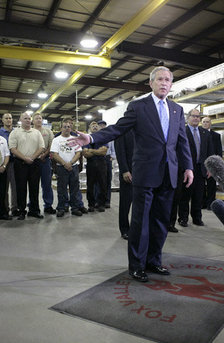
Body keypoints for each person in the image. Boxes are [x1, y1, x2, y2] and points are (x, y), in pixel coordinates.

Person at [68, 66, 194, 283]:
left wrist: (189, 166)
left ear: (171, 84)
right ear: (151, 83)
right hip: (145, 173)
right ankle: (136, 265)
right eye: (160, 79)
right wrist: (91, 138)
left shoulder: (176, 109)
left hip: (169, 173)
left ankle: (154, 261)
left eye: (168, 80)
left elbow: (181, 140)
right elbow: (118, 129)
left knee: (161, 220)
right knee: (140, 221)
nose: (164, 83)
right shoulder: (138, 107)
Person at [178, 108, 214, 227]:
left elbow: (210, 152)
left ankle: (197, 218)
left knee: (199, 195)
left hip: (201, 169)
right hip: (187, 169)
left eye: (198, 117)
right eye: (193, 116)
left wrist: (209, 168)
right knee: (185, 195)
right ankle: (183, 218)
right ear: (188, 118)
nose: (196, 118)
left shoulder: (205, 133)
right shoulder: (182, 131)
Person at [8, 112, 45, 220]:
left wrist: (32, 158)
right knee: (21, 188)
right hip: (20, 163)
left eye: (29, 118)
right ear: (21, 120)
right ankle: (21, 211)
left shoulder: (36, 133)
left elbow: (41, 147)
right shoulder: (15, 133)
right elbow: (13, 148)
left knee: (34, 188)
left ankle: (34, 210)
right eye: (25, 118)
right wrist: (25, 158)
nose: (28, 120)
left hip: (35, 163)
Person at [51, 120, 83, 217]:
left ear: (71, 128)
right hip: (61, 168)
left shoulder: (75, 139)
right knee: (61, 189)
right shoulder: (56, 140)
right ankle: (61, 208)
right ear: (61, 128)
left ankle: (75, 208)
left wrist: (71, 163)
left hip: (74, 167)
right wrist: (65, 164)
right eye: (64, 127)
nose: (66, 128)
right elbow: (54, 154)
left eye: (68, 127)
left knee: (74, 189)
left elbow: (78, 153)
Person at [32, 113, 56, 214]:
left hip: (45, 161)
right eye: (36, 118)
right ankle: (32, 205)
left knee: (46, 184)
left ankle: (48, 205)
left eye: (40, 118)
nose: (38, 120)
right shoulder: (30, 131)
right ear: (33, 120)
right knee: (33, 185)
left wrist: (44, 154)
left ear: (42, 120)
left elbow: (51, 144)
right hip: (33, 161)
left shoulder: (48, 131)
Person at [83, 121, 108, 212]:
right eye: (92, 126)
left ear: (99, 128)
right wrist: (97, 151)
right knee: (90, 185)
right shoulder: (86, 139)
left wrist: (91, 150)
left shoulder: (103, 138)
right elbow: (85, 154)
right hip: (91, 164)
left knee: (102, 184)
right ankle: (91, 204)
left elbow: (103, 151)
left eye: (96, 126)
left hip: (102, 164)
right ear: (89, 128)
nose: (94, 127)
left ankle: (101, 204)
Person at [114, 130, 134, 240]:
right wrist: (125, 170)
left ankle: (136, 228)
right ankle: (124, 229)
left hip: (142, 172)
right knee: (125, 203)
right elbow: (120, 152)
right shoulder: (123, 130)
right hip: (128, 172)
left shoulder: (143, 127)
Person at [0, 113, 18, 216]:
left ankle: (15, 208)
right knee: (4, 187)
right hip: (4, 163)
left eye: (10, 118)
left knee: (15, 187)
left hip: (15, 162)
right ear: (2, 120)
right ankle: (5, 208)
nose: (8, 120)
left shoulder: (17, 132)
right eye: (6, 118)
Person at [201, 116, 222, 208]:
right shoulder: (198, 134)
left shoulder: (216, 136)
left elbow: (219, 150)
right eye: (204, 122)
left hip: (212, 163)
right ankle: (202, 203)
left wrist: (218, 163)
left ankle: (210, 204)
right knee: (200, 185)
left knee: (211, 185)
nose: (205, 123)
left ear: (210, 123)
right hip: (201, 163)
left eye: (207, 122)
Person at [97, 120, 115, 208]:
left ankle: (107, 201)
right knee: (99, 180)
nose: (102, 126)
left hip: (107, 158)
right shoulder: (96, 136)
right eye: (100, 125)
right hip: (98, 158)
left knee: (108, 180)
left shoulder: (110, 136)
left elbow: (114, 148)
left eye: (103, 125)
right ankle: (99, 201)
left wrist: (112, 157)